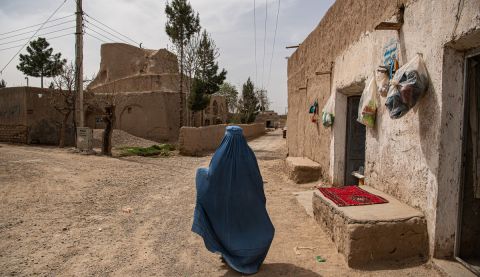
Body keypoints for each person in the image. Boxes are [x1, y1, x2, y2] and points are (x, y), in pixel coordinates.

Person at [192, 125, 275, 274]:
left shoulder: (220, 154)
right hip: (246, 202)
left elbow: (211, 177)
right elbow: (257, 180)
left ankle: (228, 253)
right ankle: (247, 257)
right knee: (247, 225)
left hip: (225, 204)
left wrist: (200, 173)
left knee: (226, 225)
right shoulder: (248, 154)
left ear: (226, 137)